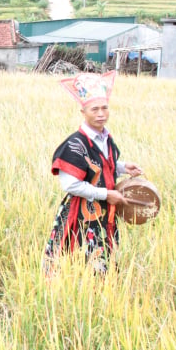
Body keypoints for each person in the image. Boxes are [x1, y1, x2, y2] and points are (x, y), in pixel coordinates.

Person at [42, 71, 143, 275]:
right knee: (74, 265)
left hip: (105, 213)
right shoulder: (74, 145)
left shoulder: (105, 138)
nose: (101, 114)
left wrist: (123, 167)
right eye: (94, 109)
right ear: (83, 111)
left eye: (104, 108)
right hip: (80, 215)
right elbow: (70, 185)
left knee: (103, 263)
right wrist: (106, 194)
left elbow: (99, 164)